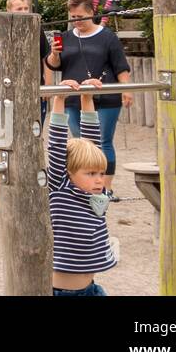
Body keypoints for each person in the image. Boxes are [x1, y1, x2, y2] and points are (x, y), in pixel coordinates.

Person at [45, 0, 133, 194]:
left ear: (92, 13)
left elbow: (121, 66)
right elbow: (54, 64)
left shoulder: (108, 36)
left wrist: (126, 89)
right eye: (73, 17)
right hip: (74, 97)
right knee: (81, 142)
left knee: (102, 141)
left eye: (81, 16)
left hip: (106, 96)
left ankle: (106, 187)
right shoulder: (66, 37)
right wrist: (55, 53)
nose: (77, 21)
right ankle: (83, 185)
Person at [47, 78, 115, 296]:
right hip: (62, 292)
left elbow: (92, 142)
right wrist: (60, 99)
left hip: (90, 289)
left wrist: (87, 98)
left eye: (101, 174)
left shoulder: (96, 194)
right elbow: (56, 145)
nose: (99, 180)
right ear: (69, 173)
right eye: (91, 174)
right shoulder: (60, 187)